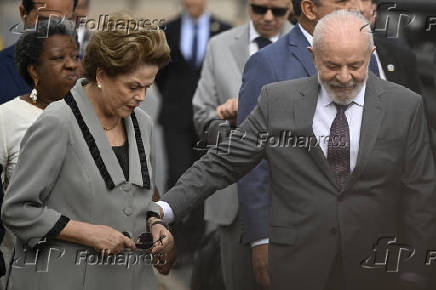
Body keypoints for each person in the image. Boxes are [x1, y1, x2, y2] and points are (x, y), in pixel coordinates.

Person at [156, 10, 436, 290]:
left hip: (376, 267)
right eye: (332, 65)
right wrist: (164, 209)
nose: (344, 77)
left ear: (371, 52)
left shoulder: (404, 106)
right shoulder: (277, 100)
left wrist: (416, 271)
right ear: (313, 55)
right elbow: (223, 162)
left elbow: (421, 192)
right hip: (297, 267)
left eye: (355, 66)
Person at [236, 0, 428, 287]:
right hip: (304, 245)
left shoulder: (395, 54)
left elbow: (418, 159)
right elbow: (252, 162)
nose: (354, 5)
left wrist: (420, 252)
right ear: (310, 9)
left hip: (384, 242)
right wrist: (262, 238)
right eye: (341, 0)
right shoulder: (269, 64)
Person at [1, 14, 174, 290]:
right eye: (133, 86)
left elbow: (138, 199)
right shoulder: (58, 122)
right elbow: (17, 210)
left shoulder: (143, 123)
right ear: (102, 75)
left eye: (148, 86)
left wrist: (156, 224)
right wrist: (87, 233)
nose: (141, 97)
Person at [191, 0, 292, 289]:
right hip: (231, 196)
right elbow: (201, 113)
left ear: (292, 8)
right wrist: (230, 125)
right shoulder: (219, 45)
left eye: (278, 11)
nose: (268, 17)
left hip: (289, 195)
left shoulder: (305, 48)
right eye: (260, 9)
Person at [0, 19, 81, 287]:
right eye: (59, 58)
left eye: (75, 56)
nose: (72, 65)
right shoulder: (7, 118)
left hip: (91, 263)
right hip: (31, 266)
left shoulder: (93, 115)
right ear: (33, 69)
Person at [154, 0, 231, 265]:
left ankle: (194, 245)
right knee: (177, 175)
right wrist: (177, 99)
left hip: (207, 119)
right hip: (175, 117)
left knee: (202, 178)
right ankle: (169, 240)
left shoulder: (223, 29)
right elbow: (160, 74)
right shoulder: (167, 29)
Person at [0, 0, 78, 105]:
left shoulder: (85, 74)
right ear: (24, 13)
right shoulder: (4, 70)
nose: (55, 31)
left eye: (64, 22)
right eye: (45, 22)